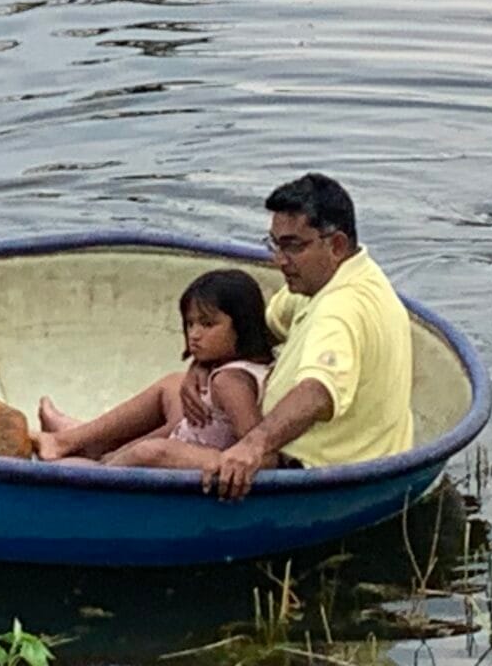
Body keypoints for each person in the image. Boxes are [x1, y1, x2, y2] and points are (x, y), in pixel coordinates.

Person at [201, 172, 413, 501]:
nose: (279, 260)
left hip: (317, 473)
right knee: (175, 387)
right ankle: (91, 447)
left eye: (292, 246)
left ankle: (101, 471)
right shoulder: (318, 281)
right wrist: (203, 367)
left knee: (154, 454)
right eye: (274, 244)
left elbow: (317, 392)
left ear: (337, 245)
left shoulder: (341, 309)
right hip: (327, 450)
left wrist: (252, 446)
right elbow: (262, 333)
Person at [29, 268, 275, 469]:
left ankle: (98, 469)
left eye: (207, 324)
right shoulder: (249, 363)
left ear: (243, 325)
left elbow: (254, 446)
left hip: (196, 457)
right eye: (190, 324)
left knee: (147, 451)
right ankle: (73, 441)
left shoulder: (229, 382)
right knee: (171, 385)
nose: (194, 335)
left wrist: (223, 463)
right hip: (190, 435)